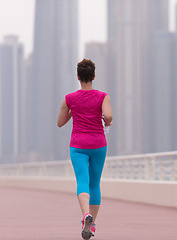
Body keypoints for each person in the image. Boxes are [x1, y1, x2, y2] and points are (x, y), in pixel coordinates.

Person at [57, 59, 113, 239]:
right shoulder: (103, 96)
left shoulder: (70, 99)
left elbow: (60, 123)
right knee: (95, 183)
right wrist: (107, 120)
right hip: (98, 144)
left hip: (78, 146)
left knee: (82, 180)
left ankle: (85, 215)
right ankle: (92, 224)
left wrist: (74, 109)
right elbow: (109, 116)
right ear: (94, 76)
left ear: (78, 77)